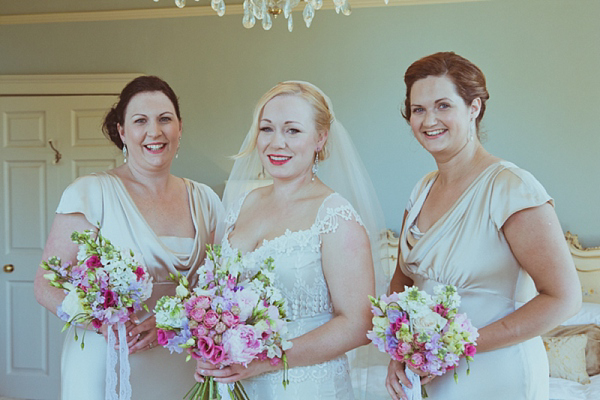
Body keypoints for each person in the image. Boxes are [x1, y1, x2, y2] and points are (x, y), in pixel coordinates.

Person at [385, 52, 582, 400]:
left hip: (499, 373)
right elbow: (402, 281)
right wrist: (400, 351)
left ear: (474, 108)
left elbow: (564, 299)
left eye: (443, 105)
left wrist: (454, 348)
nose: (429, 119)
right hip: (433, 375)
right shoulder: (421, 190)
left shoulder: (511, 187)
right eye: (418, 109)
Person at [194, 81, 390, 399]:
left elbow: (358, 323)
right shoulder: (241, 204)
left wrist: (265, 360)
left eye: (293, 131)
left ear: (320, 138)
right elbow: (215, 298)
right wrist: (210, 347)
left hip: (305, 386)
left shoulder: (335, 216)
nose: (276, 143)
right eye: (267, 129)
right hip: (234, 384)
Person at [33, 76, 224, 399]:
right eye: (140, 121)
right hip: (108, 357)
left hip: (180, 362)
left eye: (165, 119)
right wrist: (101, 324)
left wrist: (175, 321)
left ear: (180, 128)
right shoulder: (90, 193)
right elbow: (45, 285)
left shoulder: (205, 200)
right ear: (122, 131)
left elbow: (220, 286)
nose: (154, 132)